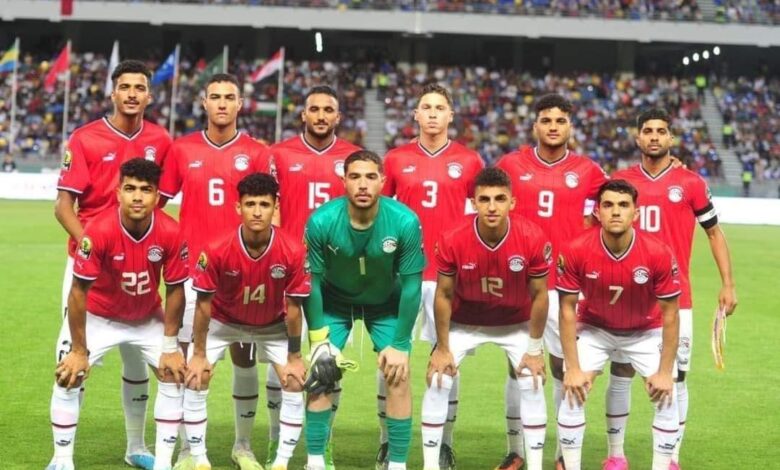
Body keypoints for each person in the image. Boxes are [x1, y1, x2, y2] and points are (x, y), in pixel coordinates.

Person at [53, 59, 172, 470]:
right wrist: (92, 247)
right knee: (73, 359)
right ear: (113, 92)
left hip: (138, 265)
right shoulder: (85, 138)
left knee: (138, 357)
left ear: (149, 95)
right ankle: (61, 458)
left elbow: (161, 201)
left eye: (140, 88)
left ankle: (136, 447)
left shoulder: (160, 139)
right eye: (125, 87)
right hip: (90, 265)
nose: (132, 94)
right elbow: (63, 206)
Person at [608, 108, 737, 470]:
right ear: (638, 137)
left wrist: (728, 284)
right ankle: (616, 455)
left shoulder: (690, 183)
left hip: (676, 297)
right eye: (647, 130)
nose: (654, 136)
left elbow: (714, 233)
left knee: (677, 377)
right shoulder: (620, 181)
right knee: (621, 371)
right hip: (626, 295)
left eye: (660, 131)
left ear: (671, 138)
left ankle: (671, 458)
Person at [158, 73, 273, 470]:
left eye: (229, 97)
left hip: (243, 275)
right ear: (204, 103)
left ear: (240, 104)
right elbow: (158, 206)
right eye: (215, 97)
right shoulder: (181, 149)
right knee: (190, 360)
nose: (222, 103)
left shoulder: (256, 152)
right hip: (194, 274)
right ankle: (189, 450)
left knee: (244, 356)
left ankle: (243, 446)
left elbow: (270, 214)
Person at [47, 158, 188, 470]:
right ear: (118, 192)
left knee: (174, 374)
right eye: (130, 189)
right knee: (68, 375)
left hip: (146, 317)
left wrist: (170, 346)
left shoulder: (171, 231)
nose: (137, 197)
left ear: (157, 196)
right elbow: (78, 292)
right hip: (99, 316)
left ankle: (162, 463)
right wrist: (79, 350)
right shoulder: (97, 230)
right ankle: (62, 461)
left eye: (146, 190)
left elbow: (176, 290)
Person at [494, 93, 607, 470]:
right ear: (535, 126)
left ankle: (563, 454)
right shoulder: (511, 164)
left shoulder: (589, 170)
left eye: (560, 121)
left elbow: (615, 204)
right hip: (518, 282)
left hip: (565, 286)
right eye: (546, 120)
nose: (553, 127)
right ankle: (516, 451)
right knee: (518, 367)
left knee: (563, 368)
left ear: (570, 126)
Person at [381, 83, 483, 470]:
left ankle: (445, 444)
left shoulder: (469, 161)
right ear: (416, 115)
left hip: (449, 277)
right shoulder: (395, 159)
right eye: (426, 107)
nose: (433, 113)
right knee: (392, 357)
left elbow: (482, 217)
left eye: (440, 107)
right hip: (403, 274)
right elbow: (382, 215)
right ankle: (387, 440)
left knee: (447, 359)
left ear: (450, 115)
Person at [420, 167, 550, 470]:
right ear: (473, 203)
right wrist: (442, 347)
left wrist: (534, 350)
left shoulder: (531, 236)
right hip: (465, 321)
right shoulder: (453, 237)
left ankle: (534, 465)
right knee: (438, 378)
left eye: (500, 199)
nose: (492, 206)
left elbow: (540, 296)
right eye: (485, 199)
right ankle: (430, 465)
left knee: (532, 380)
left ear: (512, 202)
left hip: (515, 322)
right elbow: (444, 294)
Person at [302, 150, 424, 470]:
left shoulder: (405, 221)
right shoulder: (321, 221)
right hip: (334, 302)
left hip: (385, 304)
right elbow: (311, 285)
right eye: (355, 177)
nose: (363, 184)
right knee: (321, 373)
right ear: (343, 181)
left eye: (371, 177)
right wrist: (319, 341)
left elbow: (412, 287)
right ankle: (314, 462)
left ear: (383, 181)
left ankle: (397, 465)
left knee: (398, 374)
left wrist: (400, 345)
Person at [183, 173, 310, 470]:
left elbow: (294, 308)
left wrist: (294, 357)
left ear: (275, 207)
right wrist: (198, 354)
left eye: (264, 205)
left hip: (272, 325)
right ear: (237, 207)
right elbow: (203, 305)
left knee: (294, 380)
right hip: (223, 322)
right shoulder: (216, 248)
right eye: (250, 204)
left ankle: (280, 463)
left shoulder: (293, 250)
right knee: (196, 376)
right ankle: (199, 458)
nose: (257, 211)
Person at [556, 179, 681, 470]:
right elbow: (566, 310)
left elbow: (671, 315)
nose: (615, 211)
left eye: (623, 205)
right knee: (573, 391)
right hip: (595, 328)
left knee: (666, 396)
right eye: (608, 205)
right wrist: (573, 368)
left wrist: (664, 373)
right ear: (597, 211)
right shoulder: (576, 249)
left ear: (635, 213)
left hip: (645, 331)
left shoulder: (658, 252)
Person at [269, 85, 360, 469]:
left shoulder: (354, 158)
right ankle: (277, 443)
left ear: (338, 116)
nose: (321, 115)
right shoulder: (279, 154)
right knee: (281, 364)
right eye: (314, 109)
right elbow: (270, 209)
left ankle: (322, 447)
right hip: (288, 276)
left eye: (328, 110)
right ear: (303, 114)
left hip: (335, 279)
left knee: (329, 365)